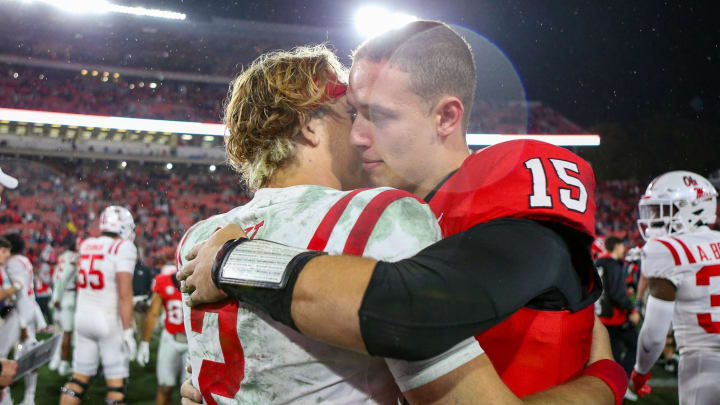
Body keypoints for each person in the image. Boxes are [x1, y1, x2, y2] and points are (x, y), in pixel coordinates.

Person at [180, 20, 626, 404]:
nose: (356, 135)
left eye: (378, 115)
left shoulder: (509, 175)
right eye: (352, 113)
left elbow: (413, 309)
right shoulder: (378, 210)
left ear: (446, 118)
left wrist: (233, 259)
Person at [632, 170, 720, 405]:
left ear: (693, 208)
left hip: (703, 363)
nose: (654, 219)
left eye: (663, 210)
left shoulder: (665, 250)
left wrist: (640, 371)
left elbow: (653, 337)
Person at [59, 206, 138, 405]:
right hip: (108, 320)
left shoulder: (87, 244)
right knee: (116, 389)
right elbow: (124, 293)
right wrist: (128, 330)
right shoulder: (123, 247)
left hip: (83, 318)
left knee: (78, 380)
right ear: (123, 227)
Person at [595, 236, 640, 400]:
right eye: (622, 245)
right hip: (616, 318)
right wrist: (631, 310)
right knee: (634, 346)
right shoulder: (612, 265)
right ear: (616, 247)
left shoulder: (598, 262)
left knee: (612, 354)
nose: (624, 249)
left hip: (603, 318)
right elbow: (617, 293)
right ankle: (621, 385)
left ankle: (612, 388)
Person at [3, 233, 45, 405]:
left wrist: (21, 323)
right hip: (28, 310)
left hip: (19, 314)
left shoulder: (13, 263)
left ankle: (7, 399)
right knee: (28, 354)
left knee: (5, 356)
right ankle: (29, 397)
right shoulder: (24, 260)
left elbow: (18, 292)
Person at [136, 264, 186, 405]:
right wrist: (144, 342)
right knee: (165, 386)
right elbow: (153, 313)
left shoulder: (200, 281)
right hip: (170, 338)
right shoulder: (163, 281)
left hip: (193, 343)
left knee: (191, 393)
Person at [48, 239, 79, 376]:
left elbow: (56, 278)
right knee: (67, 332)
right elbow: (63, 279)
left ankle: (55, 360)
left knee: (59, 331)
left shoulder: (62, 257)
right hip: (67, 296)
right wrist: (57, 298)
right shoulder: (75, 258)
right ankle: (64, 365)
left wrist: (55, 296)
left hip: (59, 295)